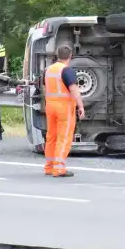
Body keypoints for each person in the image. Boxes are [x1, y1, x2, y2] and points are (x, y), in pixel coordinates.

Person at [42, 44, 85, 177]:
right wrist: (81, 107)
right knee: (64, 137)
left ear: (57, 55)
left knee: (51, 137)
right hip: (64, 108)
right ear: (70, 56)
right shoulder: (67, 71)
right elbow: (74, 90)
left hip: (50, 106)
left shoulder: (48, 70)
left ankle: (49, 167)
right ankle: (59, 168)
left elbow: (45, 88)